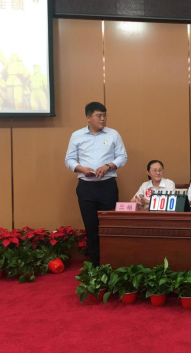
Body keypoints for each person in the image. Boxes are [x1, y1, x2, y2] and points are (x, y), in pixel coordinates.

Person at [65, 102, 128, 266]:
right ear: (88, 117)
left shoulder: (113, 134)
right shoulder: (77, 135)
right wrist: (81, 169)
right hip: (86, 187)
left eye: (105, 115)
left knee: (110, 226)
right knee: (91, 227)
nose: (103, 119)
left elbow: (122, 157)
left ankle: (111, 263)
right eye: (99, 116)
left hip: (107, 186)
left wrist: (108, 166)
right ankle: (95, 265)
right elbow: (69, 159)